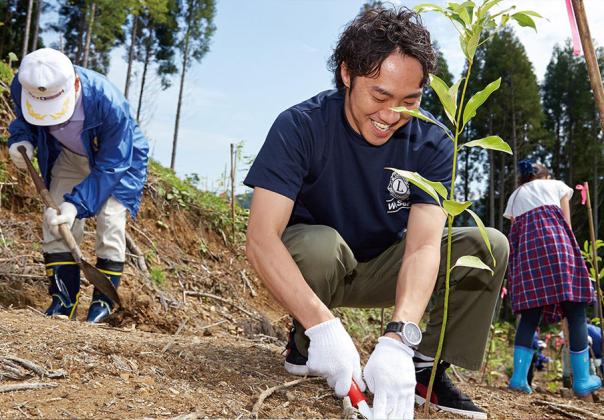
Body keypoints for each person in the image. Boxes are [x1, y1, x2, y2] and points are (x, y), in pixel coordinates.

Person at [244, 6, 508, 419]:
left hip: (388, 263)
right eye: (380, 95)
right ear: (347, 74)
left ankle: (423, 369)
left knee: (487, 246)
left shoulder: (432, 142)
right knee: (317, 244)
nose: (391, 116)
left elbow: (422, 248)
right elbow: (261, 237)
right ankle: (309, 338)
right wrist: (324, 324)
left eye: (410, 101)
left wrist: (399, 339)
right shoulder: (301, 126)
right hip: (320, 267)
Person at [7, 48, 149, 323]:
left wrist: (77, 205)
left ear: (73, 84)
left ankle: (103, 304)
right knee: (55, 219)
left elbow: (111, 166)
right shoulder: (24, 83)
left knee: (110, 221)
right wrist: (22, 139)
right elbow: (23, 119)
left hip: (119, 159)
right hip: (67, 154)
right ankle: (63, 300)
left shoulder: (108, 101)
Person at [505, 160, 601, 396]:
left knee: (529, 316)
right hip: (557, 251)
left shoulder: (515, 196)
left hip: (527, 257)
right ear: (546, 177)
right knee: (576, 312)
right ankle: (581, 380)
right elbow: (565, 224)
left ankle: (518, 378)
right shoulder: (557, 185)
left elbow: (515, 231)